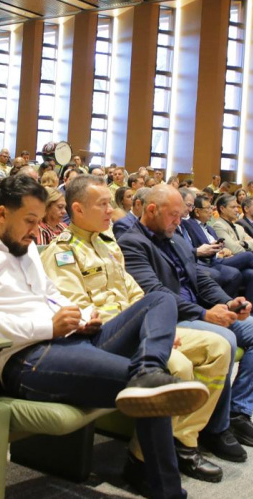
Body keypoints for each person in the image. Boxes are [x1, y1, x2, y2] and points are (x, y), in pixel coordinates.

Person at [0, 174, 209, 499]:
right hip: (27, 359)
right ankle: (168, 492)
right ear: (1, 214)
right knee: (155, 391)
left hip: (70, 340)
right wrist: (49, 327)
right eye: (30, 221)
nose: (36, 230)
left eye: (39, 221)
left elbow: (51, 294)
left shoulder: (25, 247)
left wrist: (83, 316)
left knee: (161, 300)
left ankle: (147, 369)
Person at [43, 177, 232, 483]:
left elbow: (135, 293)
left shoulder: (108, 244)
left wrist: (157, 329)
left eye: (110, 203)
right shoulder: (61, 252)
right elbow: (80, 310)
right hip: (106, 338)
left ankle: (184, 441)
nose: (112, 210)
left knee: (218, 348)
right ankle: (141, 460)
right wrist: (148, 333)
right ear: (77, 209)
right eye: (103, 204)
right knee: (179, 365)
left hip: (142, 331)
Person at [120, 184, 253, 460]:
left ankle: (238, 413)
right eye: (174, 215)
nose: (179, 221)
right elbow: (155, 294)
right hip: (170, 319)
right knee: (225, 339)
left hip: (198, 311)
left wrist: (228, 302)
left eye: (181, 214)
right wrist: (205, 315)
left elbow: (201, 278)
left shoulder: (175, 238)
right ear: (152, 210)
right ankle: (216, 428)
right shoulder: (132, 242)